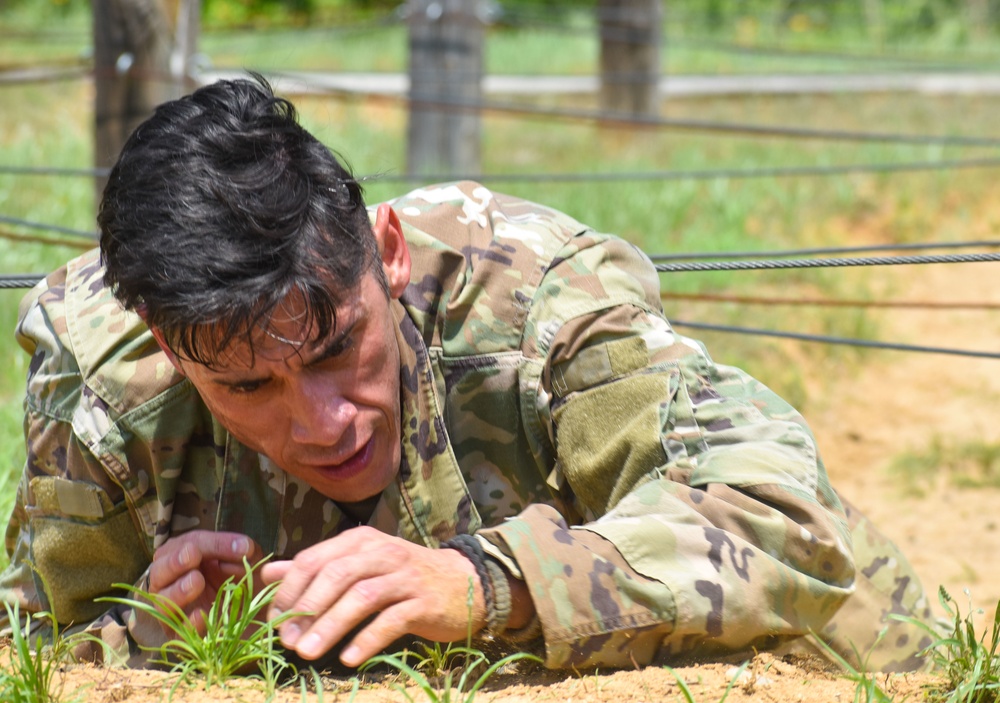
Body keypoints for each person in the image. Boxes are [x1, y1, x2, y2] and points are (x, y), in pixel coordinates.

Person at [0, 75, 935, 673]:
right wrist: (150, 635)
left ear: (389, 255)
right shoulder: (99, 375)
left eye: (336, 350)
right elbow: (39, 650)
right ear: (168, 346)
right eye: (249, 387)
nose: (323, 421)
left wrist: (487, 583)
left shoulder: (532, 292)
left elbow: (787, 522)